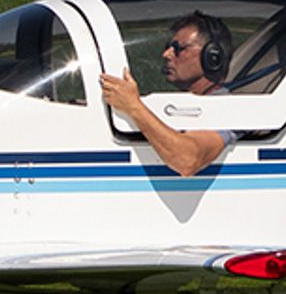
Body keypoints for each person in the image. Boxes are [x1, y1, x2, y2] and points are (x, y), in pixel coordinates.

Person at [99, 12, 236, 177]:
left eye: (178, 48)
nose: (166, 54)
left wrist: (133, 107)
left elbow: (187, 161)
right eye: (168, 47)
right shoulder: (187, 103)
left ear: (212, 56)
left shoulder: (228, 109)